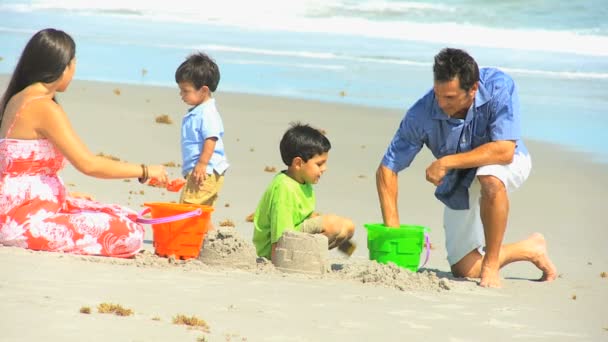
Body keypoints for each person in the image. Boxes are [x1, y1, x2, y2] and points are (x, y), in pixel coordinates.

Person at [376, 48, 557, 287]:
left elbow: (504, 150)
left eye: (449, 98)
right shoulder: (421, 113)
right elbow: (387, 169)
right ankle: (530, 248)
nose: (440, 104)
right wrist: (393, 233)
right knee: (465, 268)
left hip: (509, 160)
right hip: (460, 177)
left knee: (489, 176)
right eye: (437, 94)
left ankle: (492, 264)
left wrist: (446, 162)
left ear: (473, 89)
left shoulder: (498, 86)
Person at [0, 28, 169, 258]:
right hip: (22, 219)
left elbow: (21, 171)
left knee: (125, 214)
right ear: (62, 66)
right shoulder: (43, 106)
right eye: (73, 63)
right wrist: (146, 170)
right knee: (129, 232)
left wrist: (59, 194)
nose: (74, 70)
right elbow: (88, 164)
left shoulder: (18, 97)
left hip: (19, 208)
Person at [252, 122, 355, 260]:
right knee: (332, 224)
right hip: (275, 249)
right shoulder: (284, 188)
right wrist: (278, 262)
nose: (325, 168)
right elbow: (280, 237)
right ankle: (307, 258)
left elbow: (305, 217)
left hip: (295, 235)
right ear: (298, 163)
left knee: (348, 226)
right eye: (319, 164)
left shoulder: (303, 181)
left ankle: (332, 252)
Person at [175, 52, 228, 208]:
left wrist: (202, 164)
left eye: (186, 90)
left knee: (187, 209)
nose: (181, 95)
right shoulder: (200, 110)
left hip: (205, 172)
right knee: (201, 212)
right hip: (206, 171)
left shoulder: (207, 112)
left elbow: (211, 138)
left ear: (204, 90)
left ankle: (188, 233)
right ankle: (212, 233)